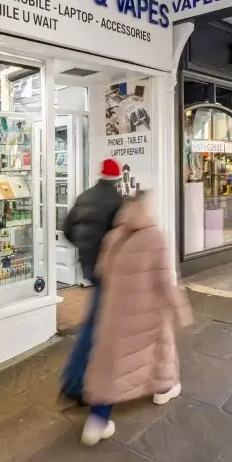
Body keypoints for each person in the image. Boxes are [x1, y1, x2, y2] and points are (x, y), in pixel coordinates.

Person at [81, 191, 192, 446]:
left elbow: (102, 271)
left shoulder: (113, 236)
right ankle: (163, 389)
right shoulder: (155, 238)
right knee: (159, 349)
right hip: (148, 313)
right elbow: (165, 282)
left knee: (110, 366)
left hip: (115, 314)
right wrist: (181, 310)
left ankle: (97, 421)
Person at [59, 159, 125, 403]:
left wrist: (84, 250)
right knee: (95, 324)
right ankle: (75, 383)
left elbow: (67, 229)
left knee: (101, 320)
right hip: (106, 269)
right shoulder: (117, 201)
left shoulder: (85, 196)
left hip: (87, 265)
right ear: (117, 178)